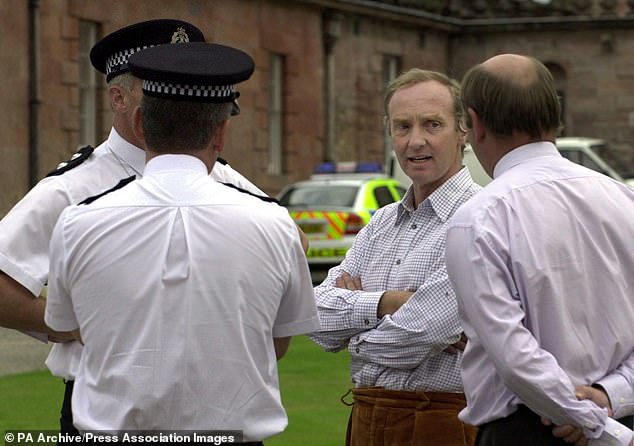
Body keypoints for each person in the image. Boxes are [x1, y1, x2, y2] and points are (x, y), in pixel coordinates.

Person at [0, 18, 276, 437]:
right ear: (118, 97)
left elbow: (289, 238)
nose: (181, 103)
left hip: (216, 409)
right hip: (105, 408)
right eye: (163, 89)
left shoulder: (225, 179)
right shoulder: (72, 189)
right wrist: (77, 323)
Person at [44, 41, 320, 442]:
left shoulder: (78, 222)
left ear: (140, 124)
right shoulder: (274, 223)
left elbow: (66, 326)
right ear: (221, 132)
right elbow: (276, 344)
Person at [445, 53, 634, 446]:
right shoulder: (623, 199)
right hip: (614, 416)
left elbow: (515, 356)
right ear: (554, 115)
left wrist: (592, 421)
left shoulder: (478, 218)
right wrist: (606, 399)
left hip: (532, 430)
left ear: (475, 123)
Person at [308, 68, 481, 446]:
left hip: (444, 422)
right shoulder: (383, 221)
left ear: (463, 131)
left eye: (432, 124)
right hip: (366, 417)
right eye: (402, 127)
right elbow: (316, 317)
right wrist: (386, 303)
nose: (415, 141)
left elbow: (419, 334)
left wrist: (352, 323)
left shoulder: (480, 217)